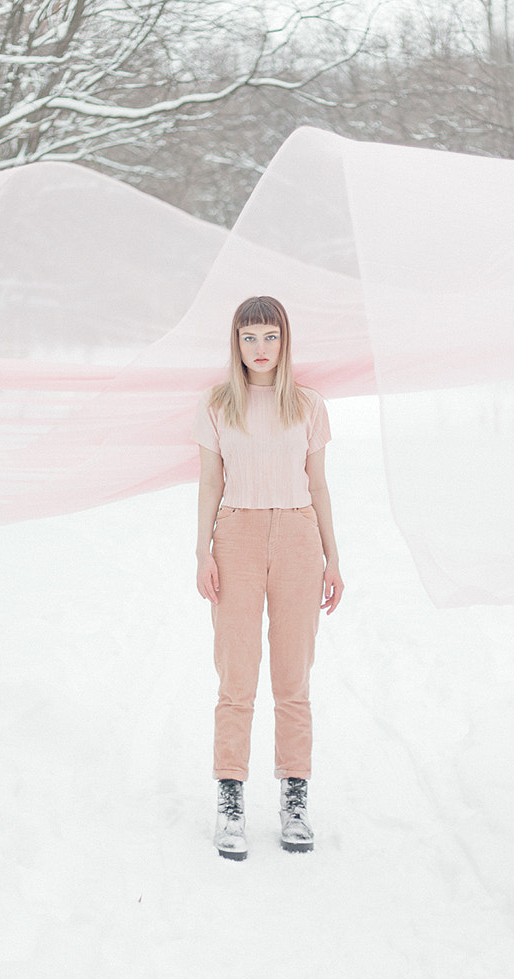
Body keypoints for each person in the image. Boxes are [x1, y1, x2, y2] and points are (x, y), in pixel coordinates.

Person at [191, 295, 344, 861]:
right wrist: (202, 550)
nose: (260, 349)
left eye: (270, 337)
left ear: (285, 342)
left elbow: (320, 484)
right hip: (236, 536)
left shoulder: (308, 405)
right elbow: (209, 482)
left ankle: (294, 797)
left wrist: (333, 558)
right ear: (236, 342)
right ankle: (230, 798)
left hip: (300, 538)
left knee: (293, 678)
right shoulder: (216, 405)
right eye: (250, 337)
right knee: (236, 675)